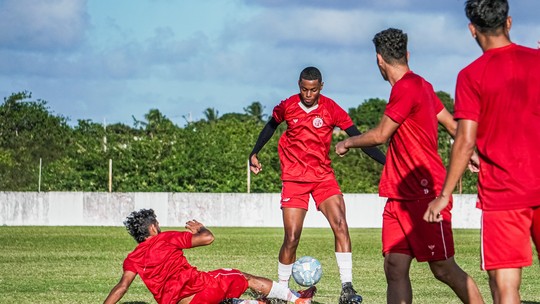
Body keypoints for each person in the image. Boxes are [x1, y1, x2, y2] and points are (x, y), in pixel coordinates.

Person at [334, 28, 484, 304]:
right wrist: (471, 150)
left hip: (426, 194)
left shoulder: (408, 87)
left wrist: (347, 142)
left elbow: (381, 135)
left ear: (379, 60)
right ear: (407, 54)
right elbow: (451, 124)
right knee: (394, 266)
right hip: (398, 197)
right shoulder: (421, 85)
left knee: (443, 268)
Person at [423, 0, 540, 303]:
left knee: (505, 288)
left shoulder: (471, 75)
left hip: (502, 195)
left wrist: (445, 193)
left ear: (472, 30)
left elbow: (464, 140)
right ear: (509, 23)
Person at [249, 66, 385, 304]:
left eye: (312, 89)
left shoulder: (331, 108)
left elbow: (359, 137)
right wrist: (254, 152)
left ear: (321, 87)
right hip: (294, 178)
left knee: (341, 224)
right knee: (292, 237)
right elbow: (271, 126)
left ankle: (347, 288)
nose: (308, 94)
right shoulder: (288, 106)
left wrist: (387, 162)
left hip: (323, 178)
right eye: (303, 89)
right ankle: (282, 292)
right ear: (299, 86)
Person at [103, 209, 316, 304]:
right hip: (201, 291)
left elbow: (121, 287)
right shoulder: (165, 238)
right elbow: (208, 238)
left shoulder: (132, 258)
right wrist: (200, 227)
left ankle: (259, 303)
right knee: (241, 276)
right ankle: (296, 299)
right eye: (157, 223)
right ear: (152, 227)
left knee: (222, 299)